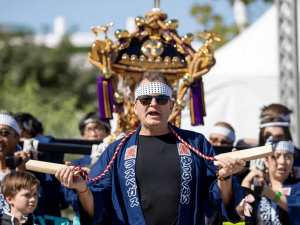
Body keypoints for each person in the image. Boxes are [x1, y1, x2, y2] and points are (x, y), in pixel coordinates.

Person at [56, 71, 246, 224]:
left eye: (161, 99)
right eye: (145, 99)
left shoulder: (195, 143)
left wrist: (226, 176)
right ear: (135, 107)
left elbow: (218, 196)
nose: (153, 104)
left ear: (171, 106)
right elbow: (96, 206)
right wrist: (82, 188)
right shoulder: (117, 151)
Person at [242, 137, 300, 224]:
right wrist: (246, 182)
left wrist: (269, 192)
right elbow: (243, 214)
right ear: (266, 160)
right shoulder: (257, 184)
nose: (282, 162)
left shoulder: (297, 186)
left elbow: (297, 205)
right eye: (276, 156)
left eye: (288, 157)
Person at [0, 171, 79, 225]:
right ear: (9, 199)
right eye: (27, 195)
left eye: (35, 194)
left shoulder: (45, 222)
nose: (33, 199)